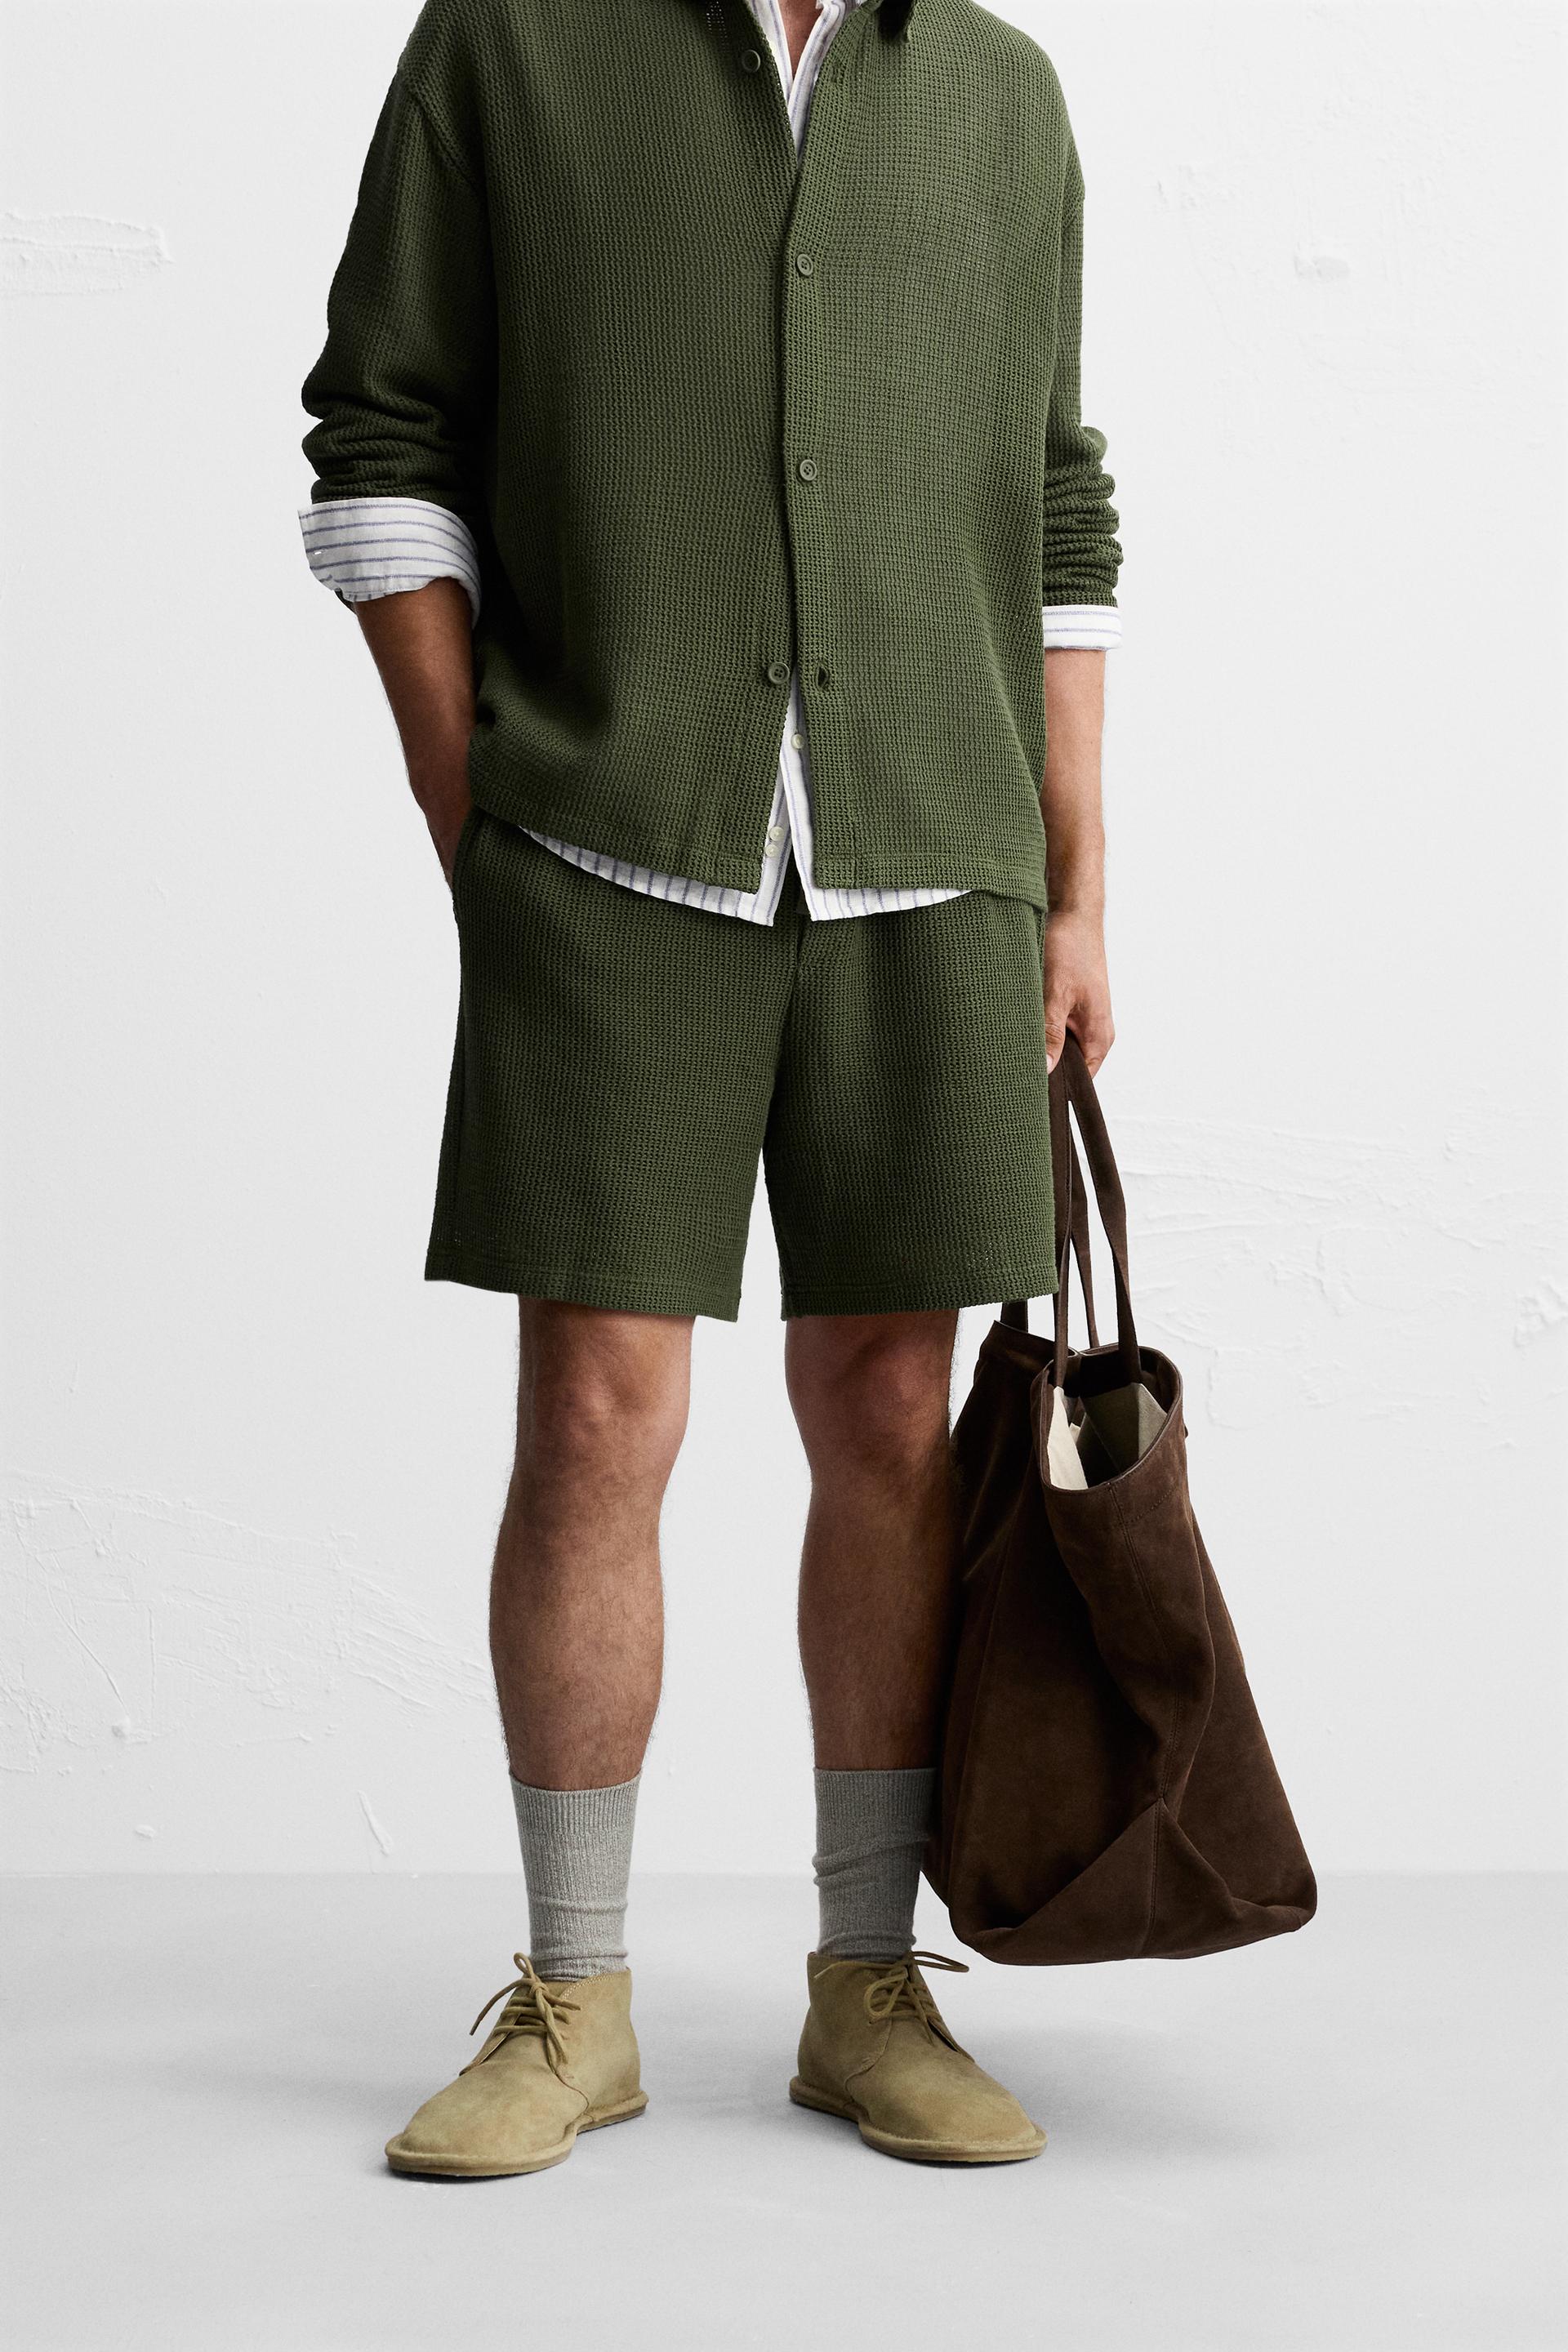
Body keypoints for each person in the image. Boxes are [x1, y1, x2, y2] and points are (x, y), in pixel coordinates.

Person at [299, 0, 1120, 2176]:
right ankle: (575, 1998)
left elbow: (1056, 499)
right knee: (597, 1409)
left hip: (933, 854)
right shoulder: (511, 46)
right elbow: (380, 436)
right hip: (606, 855)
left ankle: (868, 1986)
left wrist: (1077, 887)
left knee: (892, 1412)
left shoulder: (1001, 94)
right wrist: (480, 816)